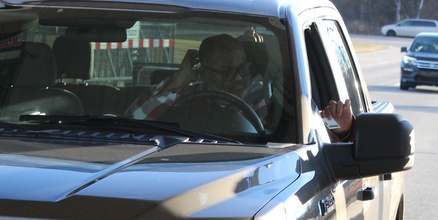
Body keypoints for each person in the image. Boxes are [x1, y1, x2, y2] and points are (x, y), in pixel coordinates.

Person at [126, 32, 355, 138]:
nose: (238, 78)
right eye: (227, 72)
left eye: (242, 68)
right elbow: (130, 124)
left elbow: (304, 142)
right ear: (203, 72)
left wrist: (339, 130)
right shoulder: (177, 97)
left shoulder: (268, 95)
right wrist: (178, 81)